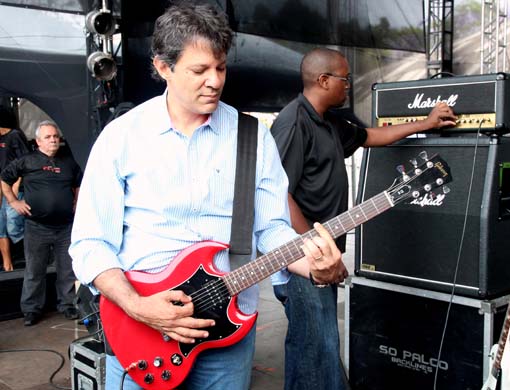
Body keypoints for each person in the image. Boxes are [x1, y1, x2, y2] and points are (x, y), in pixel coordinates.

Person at [68, 4, 345, 390]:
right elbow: (91, 243)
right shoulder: (122, 137)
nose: (214, 81)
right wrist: (138, 305)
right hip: (142, 331)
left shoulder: (251, 136)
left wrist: (313, 265)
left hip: (229, 329)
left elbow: (271, 230)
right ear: (163, 68)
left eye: (221, 67)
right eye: (199, 71)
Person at [270, 47, 458, 390]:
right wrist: (315, 251)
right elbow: (279, 195)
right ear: (323, 80)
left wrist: (426, 123)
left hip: (320, 257)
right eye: (345, 78)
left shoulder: (328, 121)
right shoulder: (294, 123)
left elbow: (370, 136)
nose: (349, 85)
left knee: (310, 349)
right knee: (318, 350)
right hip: (302, 260)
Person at [1, 120, 82, 326]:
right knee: (34, 271)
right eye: (48, 137)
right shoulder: (27, 161)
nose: (53, 140)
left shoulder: (69, 162)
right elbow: (4, 178)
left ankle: (67, 305)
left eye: (55, 136)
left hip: (65, 227)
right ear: (38, 141)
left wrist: (76, 203)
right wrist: (13, 202)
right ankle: (31, 310)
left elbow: (78, 184)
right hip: (37, 227)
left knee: (67, 270)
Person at [0, 106, 30, 272]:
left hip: (16, 187)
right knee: (3, 226)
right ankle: (9, 263)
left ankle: (35, 250)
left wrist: (17, 183)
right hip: (3, 189)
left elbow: (24, 160)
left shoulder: (14, 135)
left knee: (13, 224)